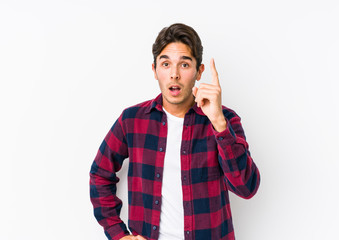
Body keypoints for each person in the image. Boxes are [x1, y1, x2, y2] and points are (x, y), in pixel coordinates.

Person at [90, 23, 260, 240]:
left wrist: (218, 122)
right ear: (154, 70)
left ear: (199, 72)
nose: (174, 74)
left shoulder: (224, 120)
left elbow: (247, 188)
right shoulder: (131, 120)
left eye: (185, 64)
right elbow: (99, 174)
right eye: (166, 63)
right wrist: (118, 234)